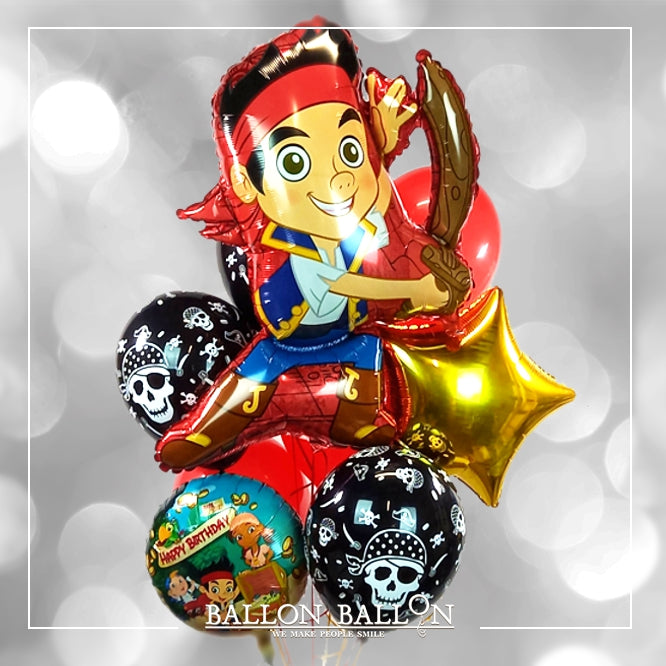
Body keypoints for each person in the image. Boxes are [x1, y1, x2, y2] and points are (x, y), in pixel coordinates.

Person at [156, 23, 470, 471]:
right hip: (294, 340)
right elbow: (348, 284)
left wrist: (382, 145)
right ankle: (203, 432)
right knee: (260, 376)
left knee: (367, 361)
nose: (337, 178)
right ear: (245, 182)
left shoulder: (359, 228)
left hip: (354, 340)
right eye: (295, 161)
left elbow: (385, 214)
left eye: (350, 149)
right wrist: (414, 291)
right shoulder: (290, 250)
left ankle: (358, 417)